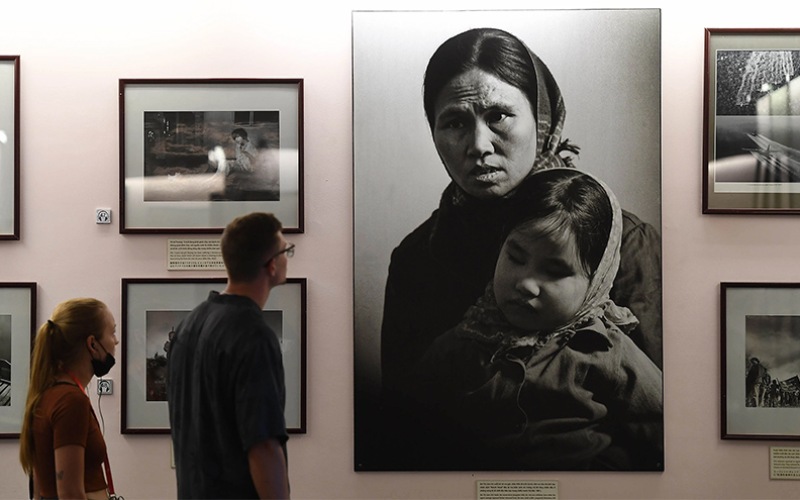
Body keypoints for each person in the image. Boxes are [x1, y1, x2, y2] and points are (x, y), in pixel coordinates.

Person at [379, 27, 662, 414]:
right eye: (455, 123)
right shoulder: (417, 258)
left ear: (542, 119)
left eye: (498, 116)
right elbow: (404, 417)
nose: (479, 145)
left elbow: (658, 418)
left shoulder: (625, 243)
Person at [410, 168, 663, 470]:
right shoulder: (462, 343)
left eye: (555, 271)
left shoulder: (605, 349)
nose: (526, 283)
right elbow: (411, 425)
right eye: (515, 258)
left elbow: (663, 429)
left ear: (595, 281)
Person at [167, 212, 292, 499]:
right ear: (271, 265)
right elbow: (262, 445)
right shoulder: (253, 334)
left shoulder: (189, 325)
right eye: (287, 250)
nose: (288, 257)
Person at [19, 298, 119, 499]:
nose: (116, 341)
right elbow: (70, 493)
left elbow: (39, 490)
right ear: (92, 343)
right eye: (112, 332)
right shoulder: (70, 400)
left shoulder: (50, 393)